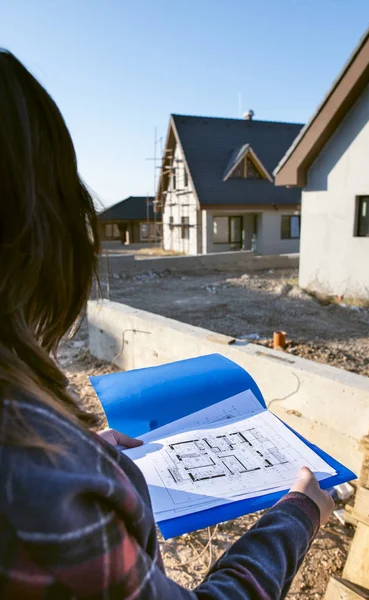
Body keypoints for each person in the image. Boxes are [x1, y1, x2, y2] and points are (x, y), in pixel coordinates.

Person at [0, 49, 334, 599]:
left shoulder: (38, 462)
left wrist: (79, 453)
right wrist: (297, 513)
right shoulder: (35, 493)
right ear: (40, 231)